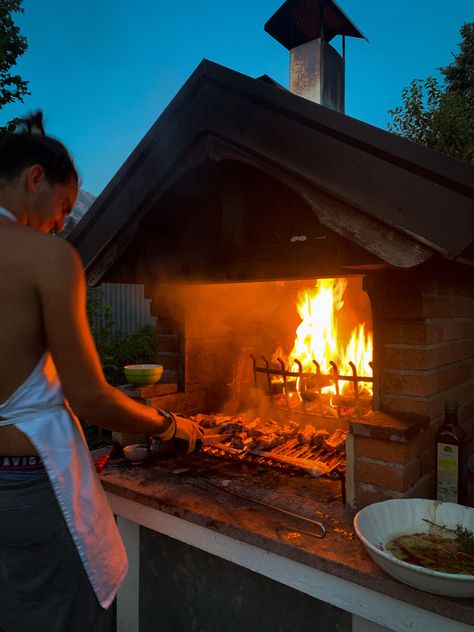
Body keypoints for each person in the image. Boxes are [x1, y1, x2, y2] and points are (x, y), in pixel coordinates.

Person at [0, 113, 204, 632]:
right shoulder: (47, 258)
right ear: (35, 179)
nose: (64, 223)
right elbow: (89, 398)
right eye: (65, 206)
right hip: (29, 485)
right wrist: (170, 425)